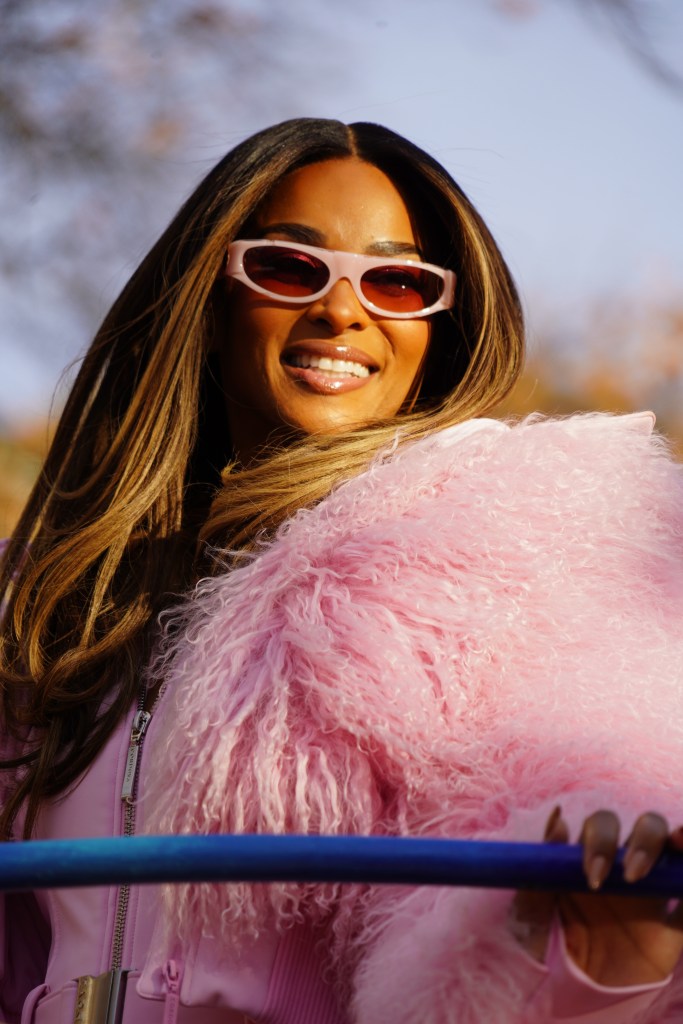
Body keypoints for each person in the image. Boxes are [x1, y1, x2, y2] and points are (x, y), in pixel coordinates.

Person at [1, 117, 683, 1024]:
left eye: (398, 282)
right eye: (287, 267)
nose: (342, 310)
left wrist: (602, 959)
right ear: (206, 302)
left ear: (439, 331)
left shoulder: (482, 574)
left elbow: (482, 968)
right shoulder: (54, 597)